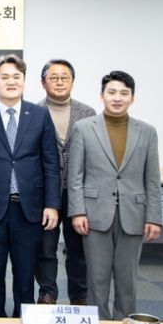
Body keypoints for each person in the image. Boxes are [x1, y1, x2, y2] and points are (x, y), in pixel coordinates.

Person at [0, 54, 61, 318]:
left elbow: (51, 163)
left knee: (25, 273)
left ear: (24, 81)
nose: (11, 82)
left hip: (29, 208)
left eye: (16, 77)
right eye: (4, 77)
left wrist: (52, 205)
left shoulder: (39, 115)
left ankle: (22, 319)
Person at [68, 71, 162, 320]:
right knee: (96, 277)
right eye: (111, 92)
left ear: (132, 98)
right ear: (102, 96)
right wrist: (77, 211)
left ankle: (126, 321)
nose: (117, 98)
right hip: (94, 214)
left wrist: (154, 217)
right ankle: (99, 322)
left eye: (123, 93)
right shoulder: (84, 128)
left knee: (127, 278)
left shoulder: (147, 131)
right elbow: (75, 175)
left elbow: (152, 179)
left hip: (133, 213)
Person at [34, 59, 96, 306]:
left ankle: (79, 295)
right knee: (45, 247)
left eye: (64, 78)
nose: (59, 82)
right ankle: (47, 293)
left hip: (77, 190)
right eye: (54, 78)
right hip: (45, 192)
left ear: (72, 81)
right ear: (43, 83)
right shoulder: (34, 111)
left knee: (78, 247)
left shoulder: (87, 113)